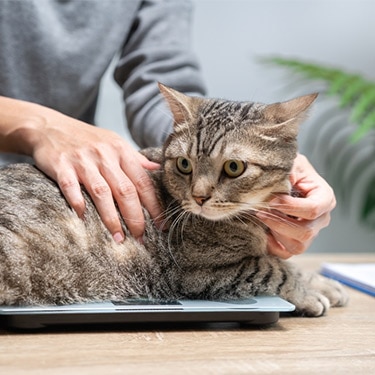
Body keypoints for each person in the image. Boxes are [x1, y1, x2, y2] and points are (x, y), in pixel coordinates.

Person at [0, 0, 336, 259]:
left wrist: (253, 152)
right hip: (32, 208)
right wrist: (37, 124)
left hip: (60, 208)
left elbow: (160, 79)